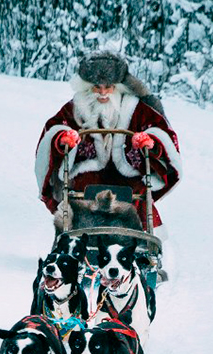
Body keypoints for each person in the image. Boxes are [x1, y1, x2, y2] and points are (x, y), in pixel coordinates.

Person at [34, 51, 183, 231]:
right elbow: (56, 127)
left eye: (109, 87)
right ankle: (79, 230)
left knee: (137, 192)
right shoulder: (76, 107)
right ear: (87, 87)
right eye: (97, 87)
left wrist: (150, 141)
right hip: (87, 173)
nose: (103, 93)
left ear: (117, 87)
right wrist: (63, 137)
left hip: (127, 174)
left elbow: (158, 128)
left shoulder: (136, 108)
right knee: (79, 189)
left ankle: (140, 233)